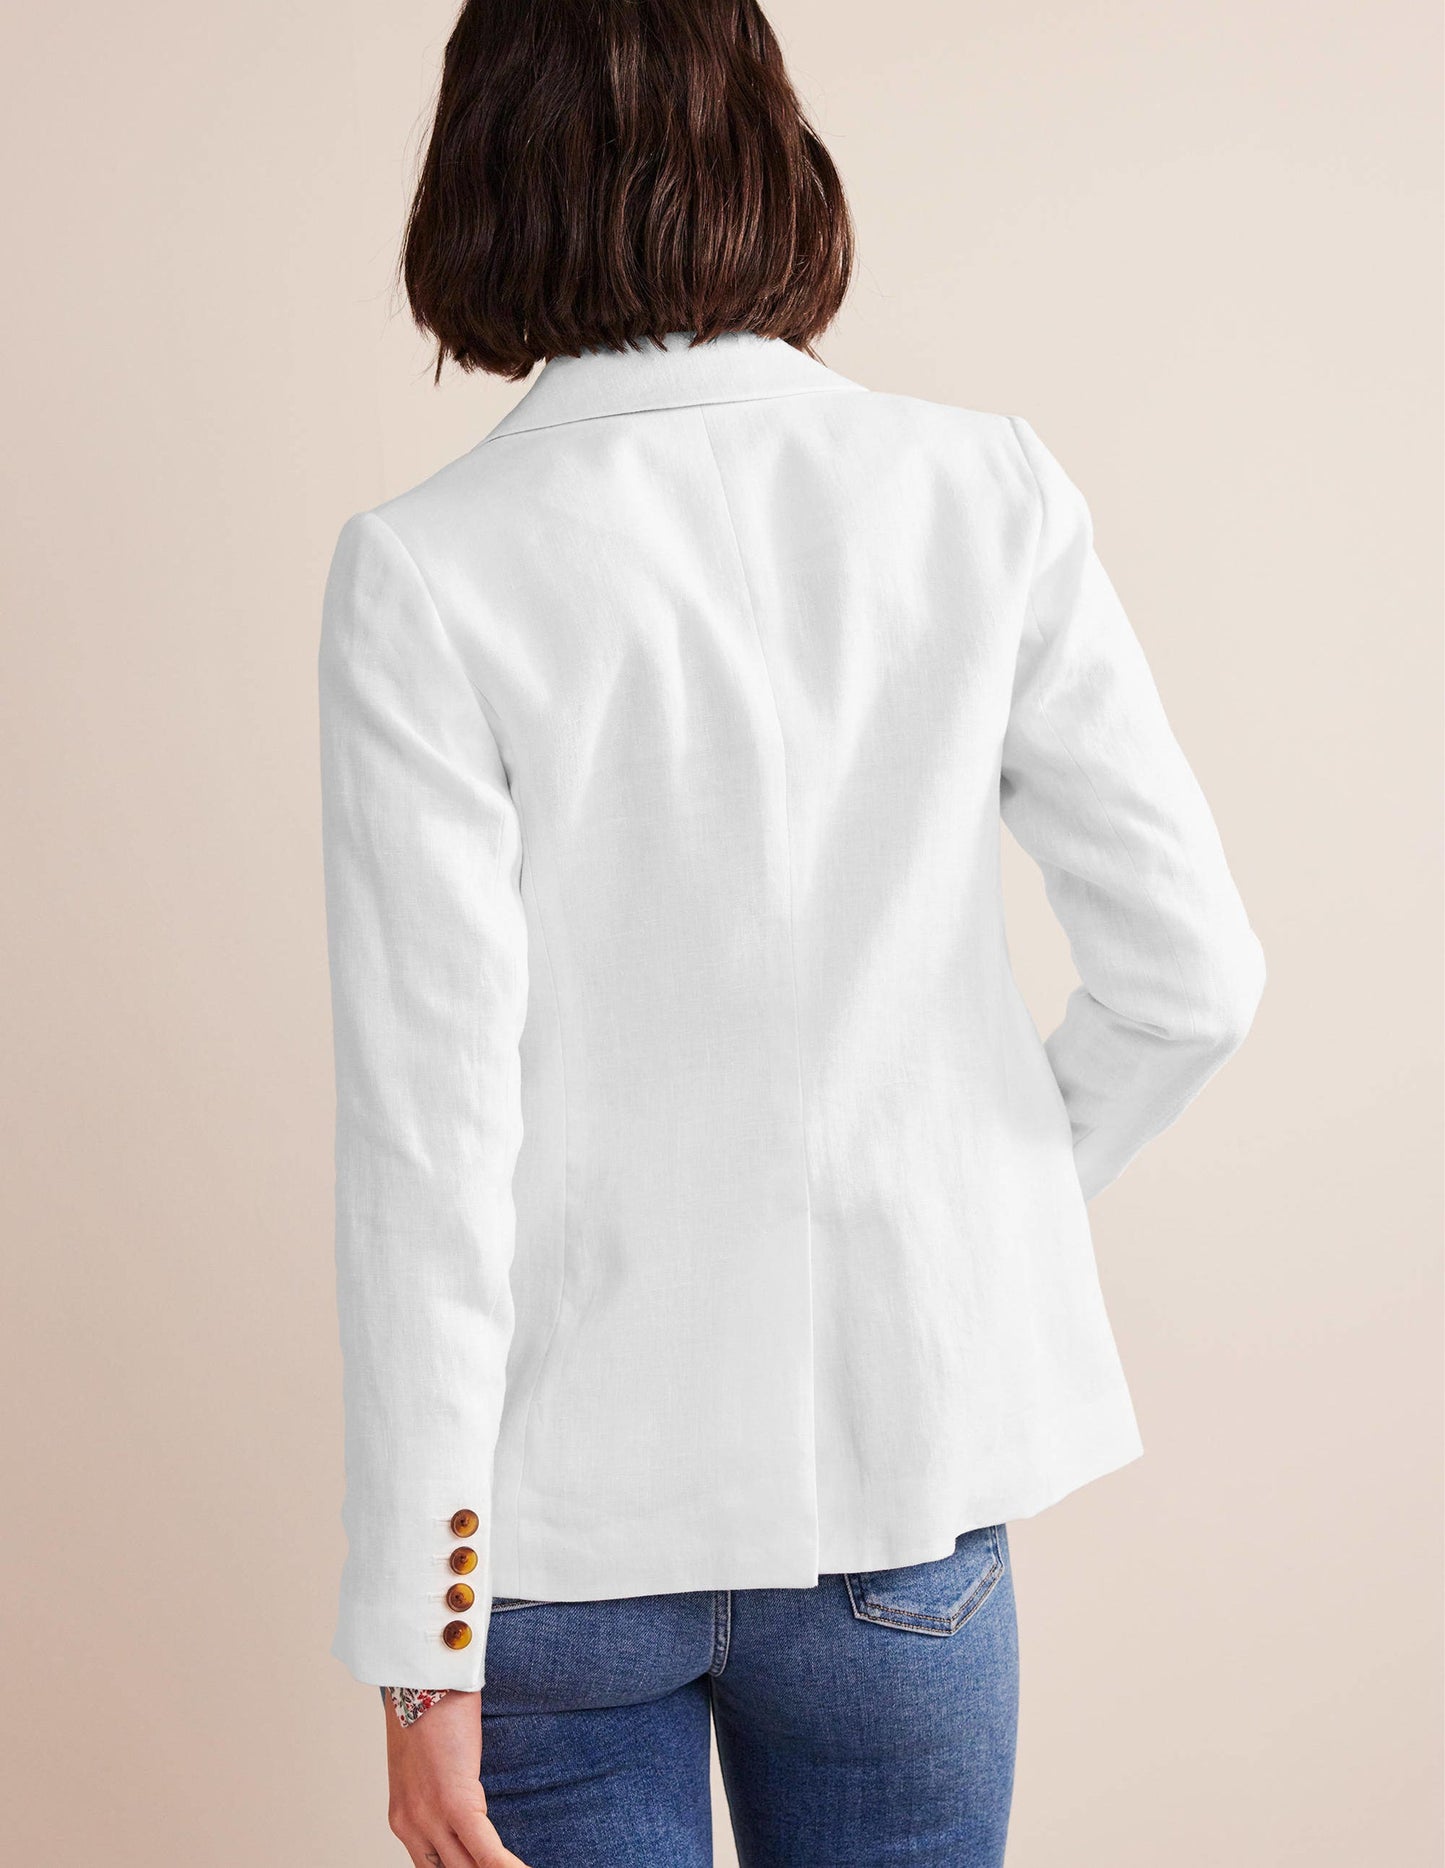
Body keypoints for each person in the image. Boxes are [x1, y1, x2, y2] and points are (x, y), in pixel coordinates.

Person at [317, 2, 1266, 1863]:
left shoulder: (429, 566)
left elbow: (427, 1152)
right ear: (767, 142)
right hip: (901, 1489)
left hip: (562, 1538)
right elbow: (1190, 980)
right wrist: (954, 1214)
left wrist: (424, 1658)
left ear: (483, 173)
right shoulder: (982, 490)